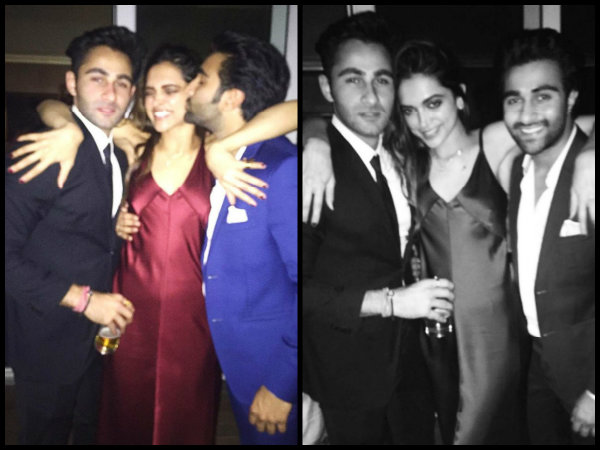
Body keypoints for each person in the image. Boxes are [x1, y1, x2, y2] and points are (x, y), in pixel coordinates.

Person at [302, 34, 595, 444]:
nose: (423, 122)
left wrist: (590, 155)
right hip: (434, 335)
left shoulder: (495, 143)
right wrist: (314, 133)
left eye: (434, 103)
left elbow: (569, 124)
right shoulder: (407, 162)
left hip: (494, 336)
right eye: (410, 110)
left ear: (458, 98)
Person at [7, 43, 297, 444]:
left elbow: (293, 111)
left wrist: (225, 148)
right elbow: (53, 107)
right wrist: (111, 217)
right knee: (121, 416)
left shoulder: (218, 152)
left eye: (171, 90)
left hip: (194, 316)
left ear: (193, 91)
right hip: (128, 311)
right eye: (149, 92)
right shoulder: (132, 147)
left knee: (184, 417)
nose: (157, 101)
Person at [302, 13, 455, 445]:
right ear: (327, 87)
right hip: (346, 374)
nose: (371, 97)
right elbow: (296, 290)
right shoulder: (311, 170)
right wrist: (392, 302)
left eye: (382, 80)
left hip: (411, 365)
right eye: (353, 80)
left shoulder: (404, 150)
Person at [5, 25, 141, 445]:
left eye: (122, 82)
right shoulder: (45, 151)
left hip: (96, 338)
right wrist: (85, 300)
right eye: (97, 78)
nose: (110, 93)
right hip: (46, 337)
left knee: (90, 430)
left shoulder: (118, 154)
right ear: (72, 83)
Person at [184, 31, 298, 445]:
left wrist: (283, 384)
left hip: (273, 374)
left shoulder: (281, 169)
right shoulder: (216, 155)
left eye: (201, 79)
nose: (190, 87)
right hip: (238, 363)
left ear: (231, 97)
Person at [502, 29, 595, 445]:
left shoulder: (590, 172)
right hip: (537, 367)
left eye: (542, 96)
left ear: (571, 98)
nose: (526, 114)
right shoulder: (515, 170)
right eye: (514, 99)